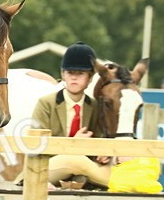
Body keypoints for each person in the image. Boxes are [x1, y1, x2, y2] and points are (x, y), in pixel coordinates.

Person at [26, 41, 113, 187]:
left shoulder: (95, 107)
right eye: (70, 73)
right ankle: (114, 183)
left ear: (90, 78)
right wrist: (72, 143)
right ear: (63, 74)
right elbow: (36, 147)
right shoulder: (46, 103)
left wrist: (102, 153)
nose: (74, 78)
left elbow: (99, 140)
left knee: (90, 165)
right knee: (75, 160)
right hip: (46, 167)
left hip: (82, 174)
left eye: (80, 74)